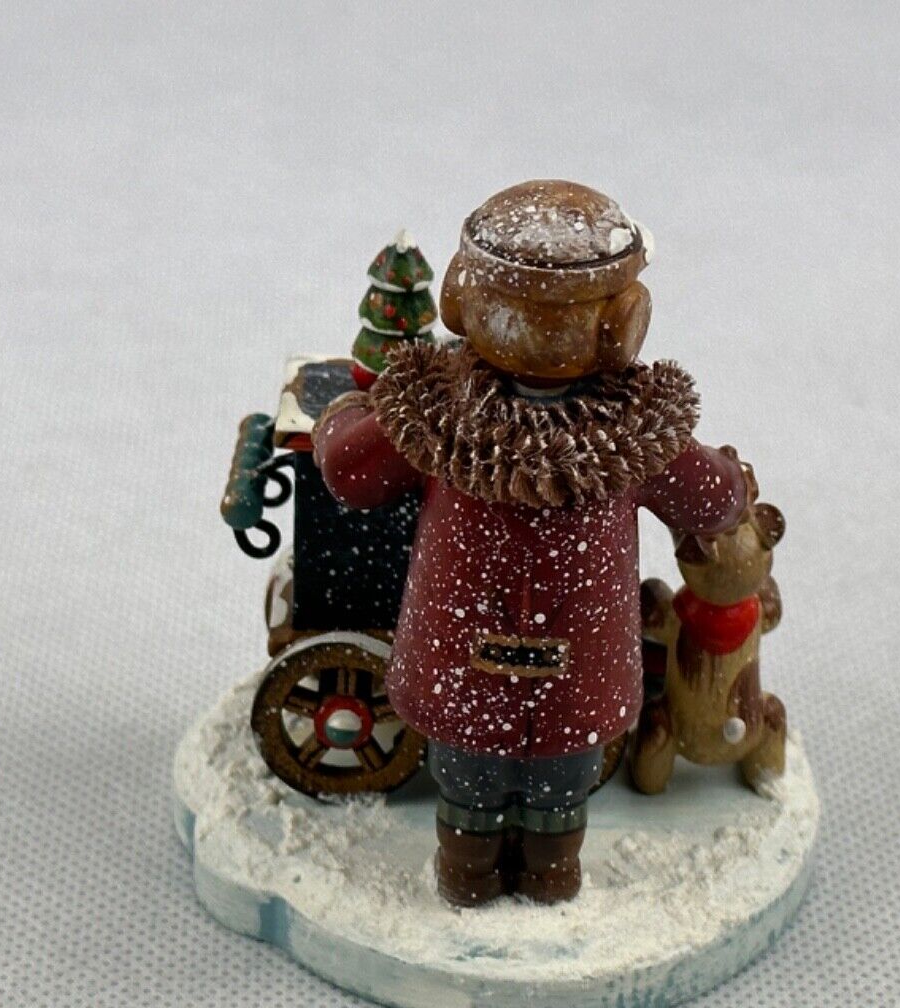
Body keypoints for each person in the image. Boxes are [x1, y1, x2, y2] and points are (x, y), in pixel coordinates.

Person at [312, 180, 749, 906]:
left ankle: (466, 873)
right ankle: (551, 876)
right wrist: (734, 477)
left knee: (467, 783)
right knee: (560, 790)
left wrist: (345, 412)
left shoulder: (434, 412)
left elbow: (348, 472)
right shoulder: (638, 434)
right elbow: (714, 501)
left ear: (461, 298)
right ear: (623, 322)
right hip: (580, 679)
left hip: (459, 669)